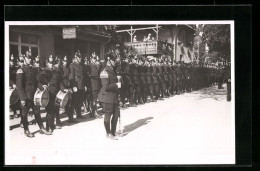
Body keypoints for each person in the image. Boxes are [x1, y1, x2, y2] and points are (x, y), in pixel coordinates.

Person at [16, 51, 48, 137]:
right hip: (26, 95)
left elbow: (35, 82)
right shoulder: (20, 70)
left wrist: (42, 86)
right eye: (27, 58)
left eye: (30, 58)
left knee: (37, 112)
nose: (29, 60)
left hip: (34, 95)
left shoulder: (33, 69)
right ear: (24, 58)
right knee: (24, 113)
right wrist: (22, 98)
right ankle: (26, 130)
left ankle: (42, 128)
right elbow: (19, 85)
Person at [98, 54, 121, 140]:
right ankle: (108, 133)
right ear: (109, 61)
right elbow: (106, 87)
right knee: (108, 115)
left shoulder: (113, 70)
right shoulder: (104, 72)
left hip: (114, 97)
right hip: (107, 97)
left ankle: (113, 132)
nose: (115, 62)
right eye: (113, 60)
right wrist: (116, 85)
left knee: (116, 115)